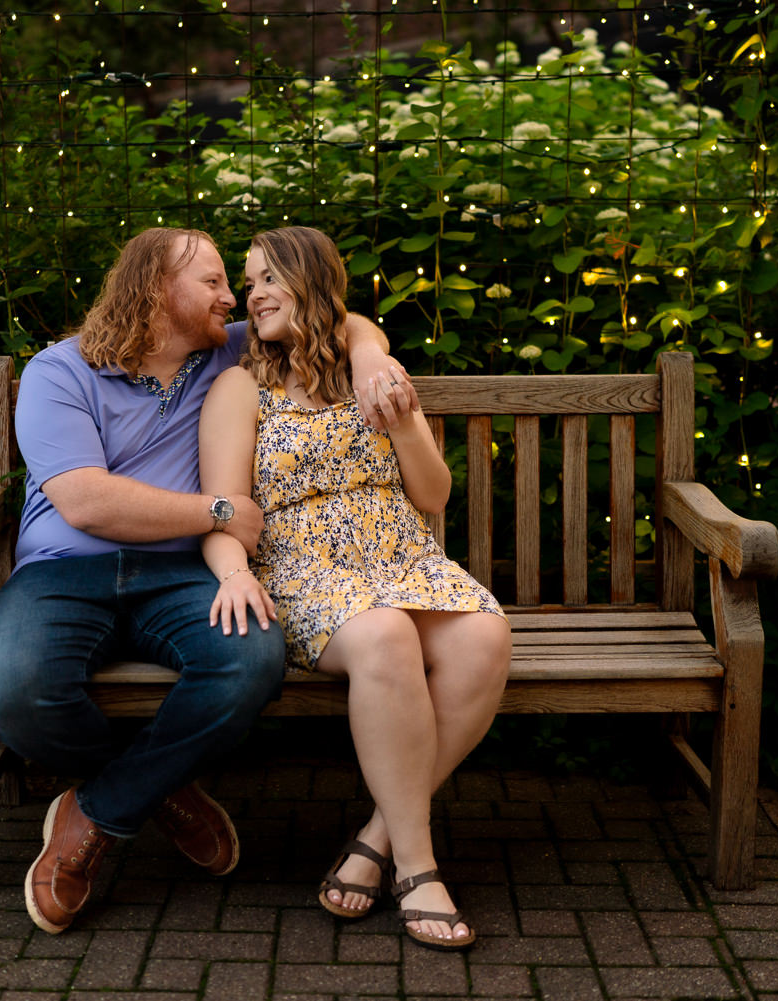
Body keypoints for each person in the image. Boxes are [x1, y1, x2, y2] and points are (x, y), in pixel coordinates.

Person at [0, 226, 412, 935]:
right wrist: (219, 510)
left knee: (252, 659)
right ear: (155, 291)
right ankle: (164, 789)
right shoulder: (62, 372)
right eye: (211, 281)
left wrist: (366, 354)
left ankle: (96, 811)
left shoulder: (225, 349)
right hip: (64, 571)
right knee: (14, 689)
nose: (231, 296)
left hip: (180, 573)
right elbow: (85, 500)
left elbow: (338, 316)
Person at [197, 226, 512, 951]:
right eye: (249, 282)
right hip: (308, 570)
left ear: (312, 282)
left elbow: (434, 495)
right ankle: (418, 867)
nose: (254, 295)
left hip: (400, 555)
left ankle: (374, 836)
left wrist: (403, 423)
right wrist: (236, 571)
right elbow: (223, 511)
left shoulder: (375, 371)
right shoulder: (241, 387)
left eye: (270, 278)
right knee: (383, 632)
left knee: (485, 634)